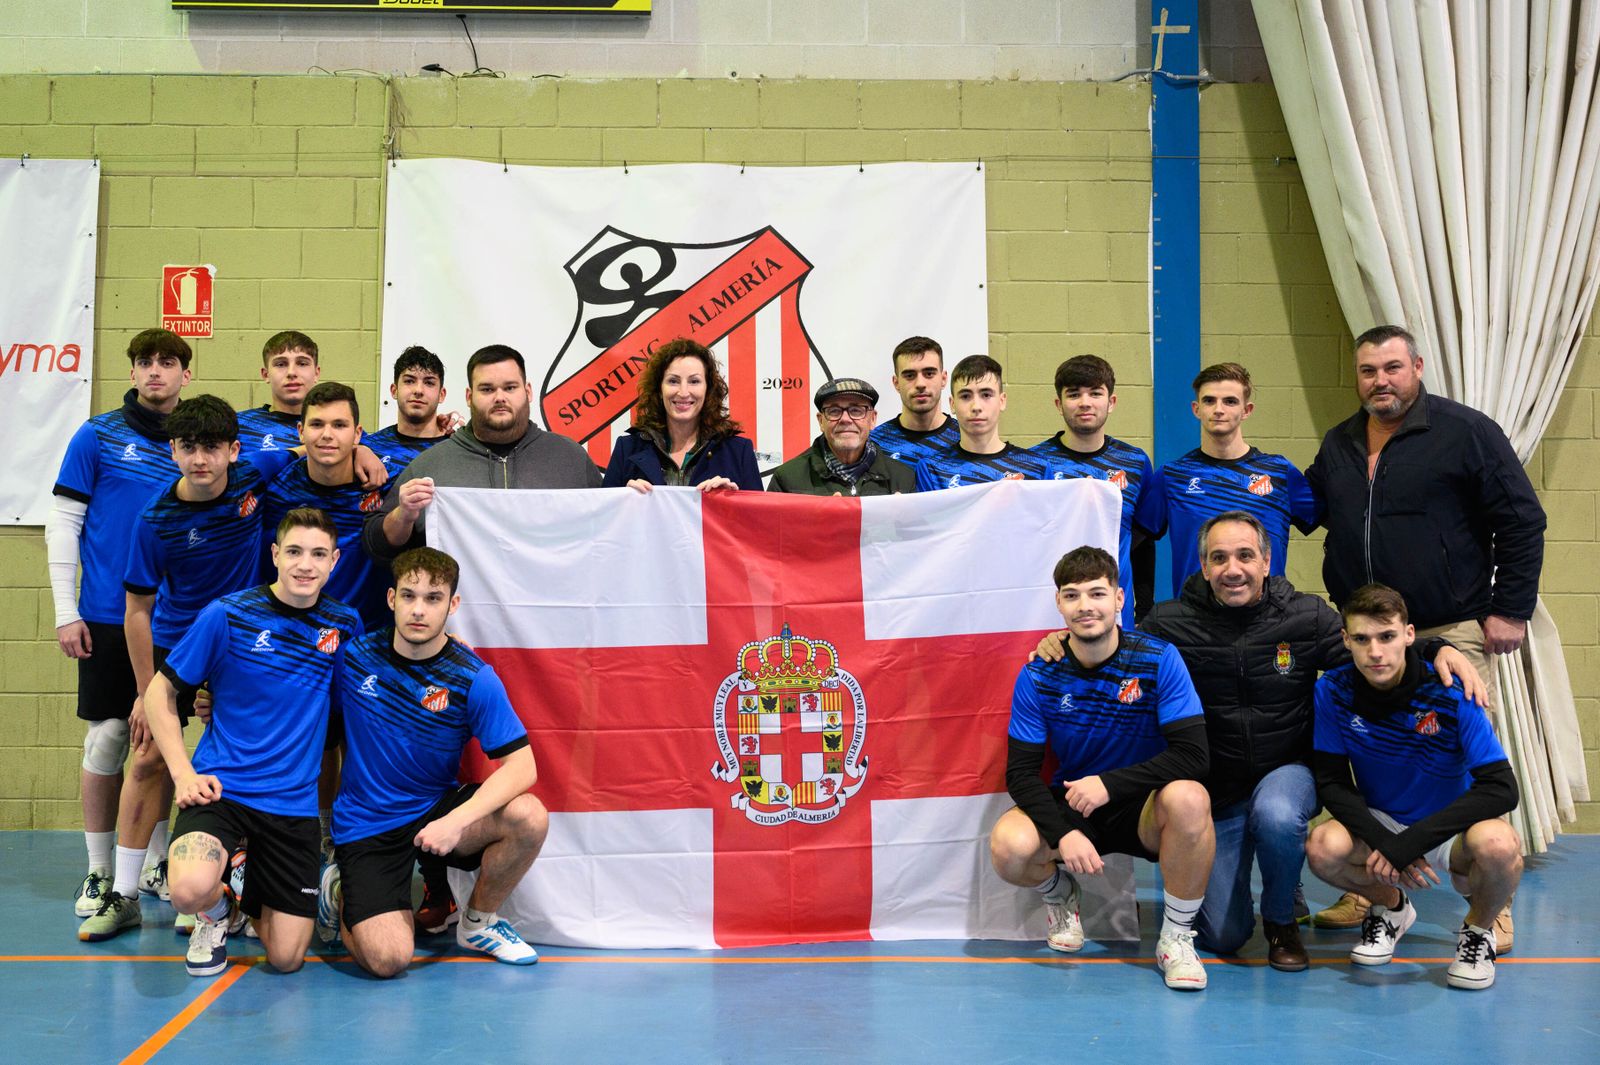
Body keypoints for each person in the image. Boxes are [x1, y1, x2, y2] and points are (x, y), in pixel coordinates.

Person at [1035, 512, 1486, 971]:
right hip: (1218, 787)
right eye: (1220, 558)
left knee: (1276, 815)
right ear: (1204, 566)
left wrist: (1433, 649)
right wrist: (1062, 640)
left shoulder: (1305, 616)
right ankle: (1288, 886)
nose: (1234, 569)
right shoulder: (1170, 623)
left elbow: (1368, 651)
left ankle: (1281, 924)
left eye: (1246, 556)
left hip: (1287, 771)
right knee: (1223, 936)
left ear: (1267, 562)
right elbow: (1117, 650)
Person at [1304, 324, 1544, 943]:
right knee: (1366, 757)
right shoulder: (1341, 443)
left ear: (1416, 366)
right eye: (1367, 371)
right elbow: (1303, 508)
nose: (1379, 381)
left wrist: (1510, 608)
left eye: (1391, 367)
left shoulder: (1465, 431)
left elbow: (1522, 519)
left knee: (1458, 752)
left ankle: (1494, 901)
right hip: (1363, 628)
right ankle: (1375, 895)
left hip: (1449, 623)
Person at [77, 396, 293, 941]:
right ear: (172, 450)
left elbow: (312, 447)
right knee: (146, 754)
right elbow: (137, 612)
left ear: (234, 450)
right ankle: (123, 892)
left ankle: (224, 888)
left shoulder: (254, 476)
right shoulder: (155, 520)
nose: (201, 459)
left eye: (212, 447)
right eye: (189, 447)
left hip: (244, 643)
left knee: (245, 754)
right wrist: (146, 691)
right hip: (179, 644)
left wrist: (362, 450)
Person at [144, 508, 362, 978]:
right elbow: (159, 692)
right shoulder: (228, 614)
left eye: (318, 554)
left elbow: (359, 697)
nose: (306, 564)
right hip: (223, 789)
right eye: (296, 552)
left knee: (286, 959)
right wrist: (183, 773)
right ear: (275, 555)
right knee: (187, 890)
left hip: (291, 805)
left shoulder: (345, 625)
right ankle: (217, 913)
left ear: (334, 561)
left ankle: (244, 886)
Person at [989, 547, 1214, 991]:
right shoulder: (1039, 674)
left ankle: (1175, 938)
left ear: (1119, 599)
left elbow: (1193, 755)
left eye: (1096, 593)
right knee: (1007, 848)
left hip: (1144, 806)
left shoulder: (1159, 658)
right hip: (1076, 804)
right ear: (1059, 605)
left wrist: (1110, 784)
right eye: (1071, 596)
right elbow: (1020, 774)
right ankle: (1060, 894)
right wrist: (1063, 833)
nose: (1085, 605)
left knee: (1190, 797)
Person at [319, 547, 549, 973]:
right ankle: (339, 891)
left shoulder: (472, 675)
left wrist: (454, 822)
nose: (418, 610)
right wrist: (212, 699)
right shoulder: (352, 659)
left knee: (530, 817)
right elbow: (288, 695)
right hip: (367, 823)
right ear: (391, 600)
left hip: (434, 812)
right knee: (388, 960)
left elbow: (523, 767)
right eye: (409, 596)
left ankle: (479, 921)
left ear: (453, 604)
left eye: (433, 598)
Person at [1306, 583, 1521, 990]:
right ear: (1345, 640)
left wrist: (1411, 843)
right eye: (1363, 639)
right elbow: (1331, 783)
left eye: (1387, 636)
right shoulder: (1332, 690)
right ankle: (1391, 909)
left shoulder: (1452, 689)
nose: (1376, 652)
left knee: (1501, 846)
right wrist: (1387, 841)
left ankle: (1477, 932)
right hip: (1382, 821)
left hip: (1448, 830)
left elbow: (1501, 788)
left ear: (1409, 635)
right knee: (1321, 848)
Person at [47, 328, 192, 918]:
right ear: (132, 372)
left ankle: (156, 859)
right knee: (111, 737)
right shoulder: (97, 435)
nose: (156, 371)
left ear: (187, 374)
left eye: (168, 362)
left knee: (161, 743)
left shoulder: (201, 439)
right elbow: (64, 522)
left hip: (181, 621)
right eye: (144, 362)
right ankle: (99, 871)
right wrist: (65, 608)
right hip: (110, 615)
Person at [366, 344, 603, 562]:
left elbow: (609, 533)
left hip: (551, 605)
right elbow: (376, 545)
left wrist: (634, 500)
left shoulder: (570, 458)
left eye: (510, 387)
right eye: (487, 389)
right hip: (461, 606)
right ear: (469, 397)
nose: (499, 397)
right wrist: (403, 515)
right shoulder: (431, 465)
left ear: (528, 391)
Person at [1146, 363, 1317, 593]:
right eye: (1209, 401)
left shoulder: (1279, 473)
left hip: (1269, 617)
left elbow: (1336, 523)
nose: (1218, 409)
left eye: (1230, 401)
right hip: (1195, 618)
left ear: (1247, 410)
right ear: (1196, 409)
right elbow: (1135, 540)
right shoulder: (1172, 476)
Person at [1030, 354, 1160, 629]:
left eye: (1095, 393)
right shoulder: (1034, 464)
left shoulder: (1134, 463)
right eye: (1074, 394)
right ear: (1059, 404)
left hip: (1115, 616)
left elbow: (1143, 542)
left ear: (1111, 402)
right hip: (1049, 615)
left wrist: (1145, 609)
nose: (1085, 402)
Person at [260, 382, 390, 629]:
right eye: (317, 424)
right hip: (292, 635)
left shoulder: (383, 483)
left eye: (339, 425)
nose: (327, 434)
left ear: (358, 433)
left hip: (363, 639)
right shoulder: (276, 491)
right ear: (300, 431)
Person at [601, 337, 762, 492]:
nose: (683, 392)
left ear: (708, 389)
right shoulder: (627, 448)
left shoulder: (739, 451)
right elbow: (603, 517)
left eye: (694, 381)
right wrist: (622, 501)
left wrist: (732, 502)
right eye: (673, 381)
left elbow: (759, 519)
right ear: (659, 389)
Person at [913, 355, 1056, 488]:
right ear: (952, 404)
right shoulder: (932, 470)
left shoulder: (1037, 468)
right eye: (965, 396)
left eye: (986, 395)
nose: (976, 407)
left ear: (1002, 401)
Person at [766, 378, 915, 495]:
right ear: (821, 421)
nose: (845, 419)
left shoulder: (902, 478)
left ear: (873, 419)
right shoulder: (787, 479)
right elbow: (771, 534)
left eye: (856, 410)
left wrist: (900, 522)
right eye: (834, 411)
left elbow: (915, 533)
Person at [363, 346, 456, 476]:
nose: (418, 390)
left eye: (429, 383)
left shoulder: (457, 448)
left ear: (441, 394)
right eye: (409, 381)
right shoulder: (368, 449)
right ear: (394, 391)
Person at [870, 335, 960, 467]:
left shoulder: (965, 438)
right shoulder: (875, 444)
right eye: (910, 375)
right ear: (896, 383)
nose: (920, 384)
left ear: (944, 379)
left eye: (929, 373)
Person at [236, 331, 321, 464]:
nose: (292, 372)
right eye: (281, 364)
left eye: (302, 364)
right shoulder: (238, 425)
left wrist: (361, 450)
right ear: (266, 375)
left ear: (316, 373)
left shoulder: (337, 425)